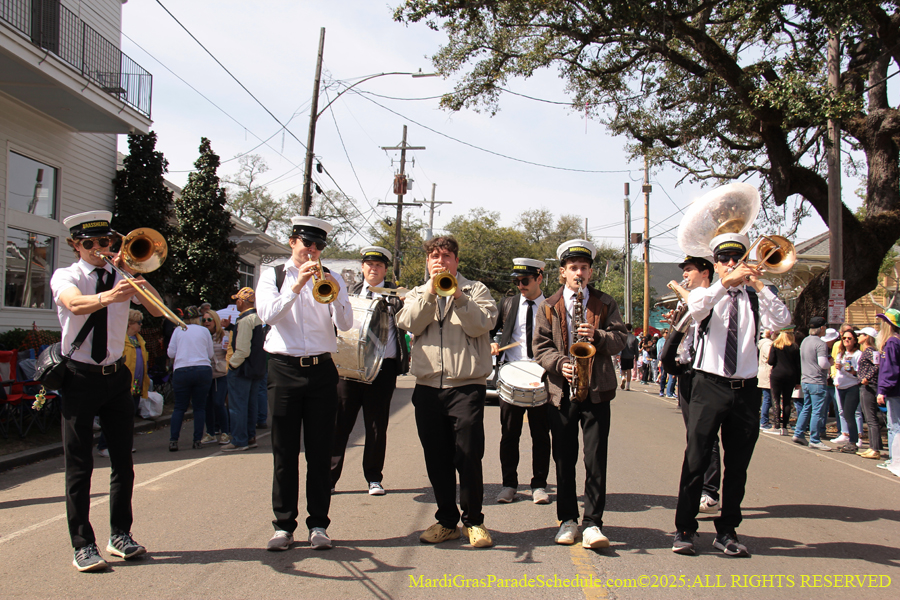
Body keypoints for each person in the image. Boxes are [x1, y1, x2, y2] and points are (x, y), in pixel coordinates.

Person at [51, 210, 164, 571]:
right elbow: (73, 304)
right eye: (90, 243)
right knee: (79, 465)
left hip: (115, 376)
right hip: (79, 376)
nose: (99, 248)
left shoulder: (121, 276)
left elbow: (157, 310)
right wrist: (110, 296)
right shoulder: (67, 275)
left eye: (106, 241)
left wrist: (134, 275)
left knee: (123, 462)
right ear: (76, 245)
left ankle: (121, 535)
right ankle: (83, 544)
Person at [672, 232, 791, 557]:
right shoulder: (708, 294)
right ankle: (685, 528)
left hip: (745, 390)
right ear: (716, 264)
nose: (731, 264)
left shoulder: (756, 297)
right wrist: (725, 283)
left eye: (737, 258)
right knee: (696, 459)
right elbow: (696, 307)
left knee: (738, 466)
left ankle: (727, 531)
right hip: (709, 386)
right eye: (724, 259)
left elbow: (783, 320)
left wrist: (759, 285)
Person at [256, 217, 353, 551]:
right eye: (307, 243)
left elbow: (346, 323)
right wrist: (297, 285)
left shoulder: (333, 277)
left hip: (322, 370)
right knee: (284, 452)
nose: (312, 250)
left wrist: (335, 292)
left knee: (320, 452)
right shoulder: (272, 275)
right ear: (292, 242)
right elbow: (268, 315)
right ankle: (283, 526)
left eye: (319, 246)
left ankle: (319, 525)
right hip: (283, 369)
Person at [396, 235, 498, 548]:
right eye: (434, 257)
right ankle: (446, 521)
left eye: (446, 256)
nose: (440, 262)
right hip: (428, 387)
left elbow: (482, 324)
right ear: (427, 262)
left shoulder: (475, 290)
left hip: (466, 386)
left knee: (468, 455)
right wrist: (430, 292)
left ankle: (474, 521)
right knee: (436, 458)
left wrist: (458, 296)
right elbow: (409, 323)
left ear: (456, 261)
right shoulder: (417, 292)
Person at [533, 239, 627, 549]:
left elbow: (620, 339)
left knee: (595, 458)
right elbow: (540, 348)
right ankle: (568, 520)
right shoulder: (548, 305)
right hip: (562, 392)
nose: (579, 273)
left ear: (590, 272)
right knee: (564, 459)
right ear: (563, 272)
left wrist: (597, 335)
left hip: (597, 391)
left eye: (584, 268)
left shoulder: (605, 302)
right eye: (573, 268)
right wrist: (560, 364)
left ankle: (593, 523)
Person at [331, 246, 410, 495]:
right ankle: (329, 478)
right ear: (362, 267)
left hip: (382, 369)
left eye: (378, 265)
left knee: (376, 426)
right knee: (340, 424)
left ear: (385, 270)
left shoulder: (397, 295)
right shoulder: (349, 292)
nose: (373, 269)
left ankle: (374, 478)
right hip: (349, 367)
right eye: (369, 265)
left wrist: (404, 303)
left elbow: (409, 324)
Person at [660, 255, 722, 516]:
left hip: (704, 371)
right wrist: (675, 322)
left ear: (705, 273)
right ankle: (698, 490)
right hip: (685, 369)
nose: (685, 275)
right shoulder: (686, 299)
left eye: (689, 270)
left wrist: (681, 292)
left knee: (705, 434)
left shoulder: (710, 297)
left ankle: (710, 492)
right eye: (684, 271)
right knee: (694, 434)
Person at [490, 258, 551, 505]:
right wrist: (492, 343)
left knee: (541, 435)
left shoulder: (552, 306)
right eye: (516, 281)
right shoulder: (508, 303)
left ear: (539, 278)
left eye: (525, 280)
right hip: (512, 374)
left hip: (542, 376)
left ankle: (539, 485)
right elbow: (490, 330)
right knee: (509, 434)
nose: (520, 286)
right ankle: (509, 485)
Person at [221, 288, 266, 452]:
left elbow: (242, 350)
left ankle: (239, 440)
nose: (236, 303)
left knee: (237, 406)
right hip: (256, 368)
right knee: (251, 404)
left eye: (237, 300)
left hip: (242, 369)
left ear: (241, 301)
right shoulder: (259, 318)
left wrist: (232, 365)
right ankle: (250, 437)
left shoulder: (245, 320)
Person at [97, 309, 147, 458]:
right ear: (130, 323)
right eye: (138, 322)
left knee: (129, 417)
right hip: (122, 384)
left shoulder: (139, 340)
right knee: (115, 418)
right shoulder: (119, 340)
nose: (141, 325)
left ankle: (123, 445)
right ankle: (104, 445)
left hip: (137, 383)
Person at [167, 306, 214, 451]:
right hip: (202, 369)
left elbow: (170, 353)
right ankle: (197, 440)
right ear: (198, 317)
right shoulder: (204, 331)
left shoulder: (178, 330)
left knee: (179, 407)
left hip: (182, 369)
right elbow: (210, 354)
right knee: (199, 407)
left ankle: (174, 440)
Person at [793, 318, 834, 451]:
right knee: (817, 411)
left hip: (806, 379)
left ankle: (798, 432)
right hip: (817, 381)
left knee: (807, 407)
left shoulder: (805, 341)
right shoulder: (820, 344)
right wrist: (830, 363)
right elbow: (823, 363)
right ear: (821, 328)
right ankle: (815, 439)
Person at [200, 309, 231, 445]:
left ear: (215, 321)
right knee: (207, 405)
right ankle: (210, 433)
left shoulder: (225, 334)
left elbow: (231, 352)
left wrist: (228, 348)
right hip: (206, 375)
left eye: (209, 319)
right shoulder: (201, 335)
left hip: (220, 374)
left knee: (218, 402)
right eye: (204, 320)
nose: (206, 322)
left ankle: (225, 432)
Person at [876, 309, 900, 474]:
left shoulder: (891, 343)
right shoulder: (896, 341)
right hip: (896, 389)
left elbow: (890, 370)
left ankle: (895, 459)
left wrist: (882, 390)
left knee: (894, 426)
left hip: (894, 391)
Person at [767, 327, 801, 436]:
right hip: (790, 375)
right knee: (787, 401)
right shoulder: (795, 347)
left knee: (775, 399)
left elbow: (771, 361)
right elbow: (798, 365)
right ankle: (784, 427)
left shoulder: (776, 345)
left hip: (777, 374)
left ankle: (776, 424)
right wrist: (798, 381)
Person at [856, 327, 883, 460]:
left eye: (860, 334)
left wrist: (867, 377)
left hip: (869, 386)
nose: (858, 337)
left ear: (867, 336)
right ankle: (873, 447)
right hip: (864, 385)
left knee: (871, 418)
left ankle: (875, 448)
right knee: (869, 417)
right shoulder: (866, 351)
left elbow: (877, 365)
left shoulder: (871, 351)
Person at [834, 328, 863, 453]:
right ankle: (849, 438)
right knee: (844, 413)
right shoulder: (841, 354)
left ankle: (854, 441)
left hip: (852, 386)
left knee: (849, 414)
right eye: (844, 338)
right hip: (841, 386)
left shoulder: (857, 354)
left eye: (849, 338)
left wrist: (845, 368)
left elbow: (856, 373)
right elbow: (839, 370)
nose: (846, 340)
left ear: (855, 340)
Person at [758, 330, 774, 431]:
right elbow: (770, 357)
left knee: (767, 398)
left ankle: (764, 420)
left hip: (764, 372)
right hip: (767, 373)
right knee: (767, 398)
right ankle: (764, 421)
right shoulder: (768, 344)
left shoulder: (763, 343)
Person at [619, 324, 639, 391]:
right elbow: (636, 349)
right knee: (629, 370)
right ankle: (627, 386)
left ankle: (623, 377)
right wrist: (637, 356)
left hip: (623, 355)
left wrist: (618, 355)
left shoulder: (623, 336)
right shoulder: (634, 338)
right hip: (631, 356)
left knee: (623, 370)